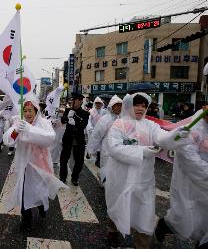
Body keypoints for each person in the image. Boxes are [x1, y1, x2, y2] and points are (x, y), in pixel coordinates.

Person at [105, 93, 167, 248]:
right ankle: (113, 232)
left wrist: (178, 135)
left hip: (144, 181)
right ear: (129, 105)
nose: (141, 108)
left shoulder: (150, 125)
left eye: (144, 106)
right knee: (118, 207)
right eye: (137, 104)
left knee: (144, 215)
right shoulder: (119, 125)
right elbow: (114, 148)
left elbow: (163, 137)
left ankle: (141, 245)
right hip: (121, 178)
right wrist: (143, 152)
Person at [3, 96, 67, 231]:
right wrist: (15, 131)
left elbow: (49, 138)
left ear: (36, 110)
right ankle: (26, 219)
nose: (27, 113)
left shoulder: (44, 123)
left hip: (40, 166)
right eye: (25, 110)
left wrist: (29, 130)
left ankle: (42, 206)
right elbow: (8, 141)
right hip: (24, 165)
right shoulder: (19, 122)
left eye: (30, 110)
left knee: (39, 191)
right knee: (23, 192)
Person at [155, 109, 208, 249]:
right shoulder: (192, 129)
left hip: (206, 183)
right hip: (191, 182)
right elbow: (189, 158)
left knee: (204, 222)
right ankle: (165, 225)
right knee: (184, 217)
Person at [87, 95, 122, 186]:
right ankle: (104, 182)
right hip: (107, 147)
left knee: (117, 169)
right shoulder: (105, 119)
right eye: (116, 105)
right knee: (106, 167)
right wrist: (90, 150)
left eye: (120, 105)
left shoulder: (123, 119)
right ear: (111, 107)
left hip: (119, 149)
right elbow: (96, 135)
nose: (119, 107)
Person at [59, 93, 89, 186]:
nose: (72, 102)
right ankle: (63, 177)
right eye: (72, 100)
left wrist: (74, 119)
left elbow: (82, 125)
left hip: (79, 139)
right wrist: (67, 117)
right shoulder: (68, 110)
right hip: (68, 138)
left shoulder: (85, 113)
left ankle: (75, 177)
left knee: (79, 161)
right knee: (64, 159)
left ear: (80, 101)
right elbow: (63, 120)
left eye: (75, 100)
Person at [86, 96, 107, 167]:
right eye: (97, 103)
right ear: (95, 104)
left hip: (101, 131)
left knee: (100, 146)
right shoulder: (91, 111)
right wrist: (90, 128)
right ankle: (89, 152)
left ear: (102, 104)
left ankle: (98, 160)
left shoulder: (104, 112)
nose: (98, 105)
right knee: (91, 143)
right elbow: (88, 120)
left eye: (99, 103)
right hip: (92, 131)